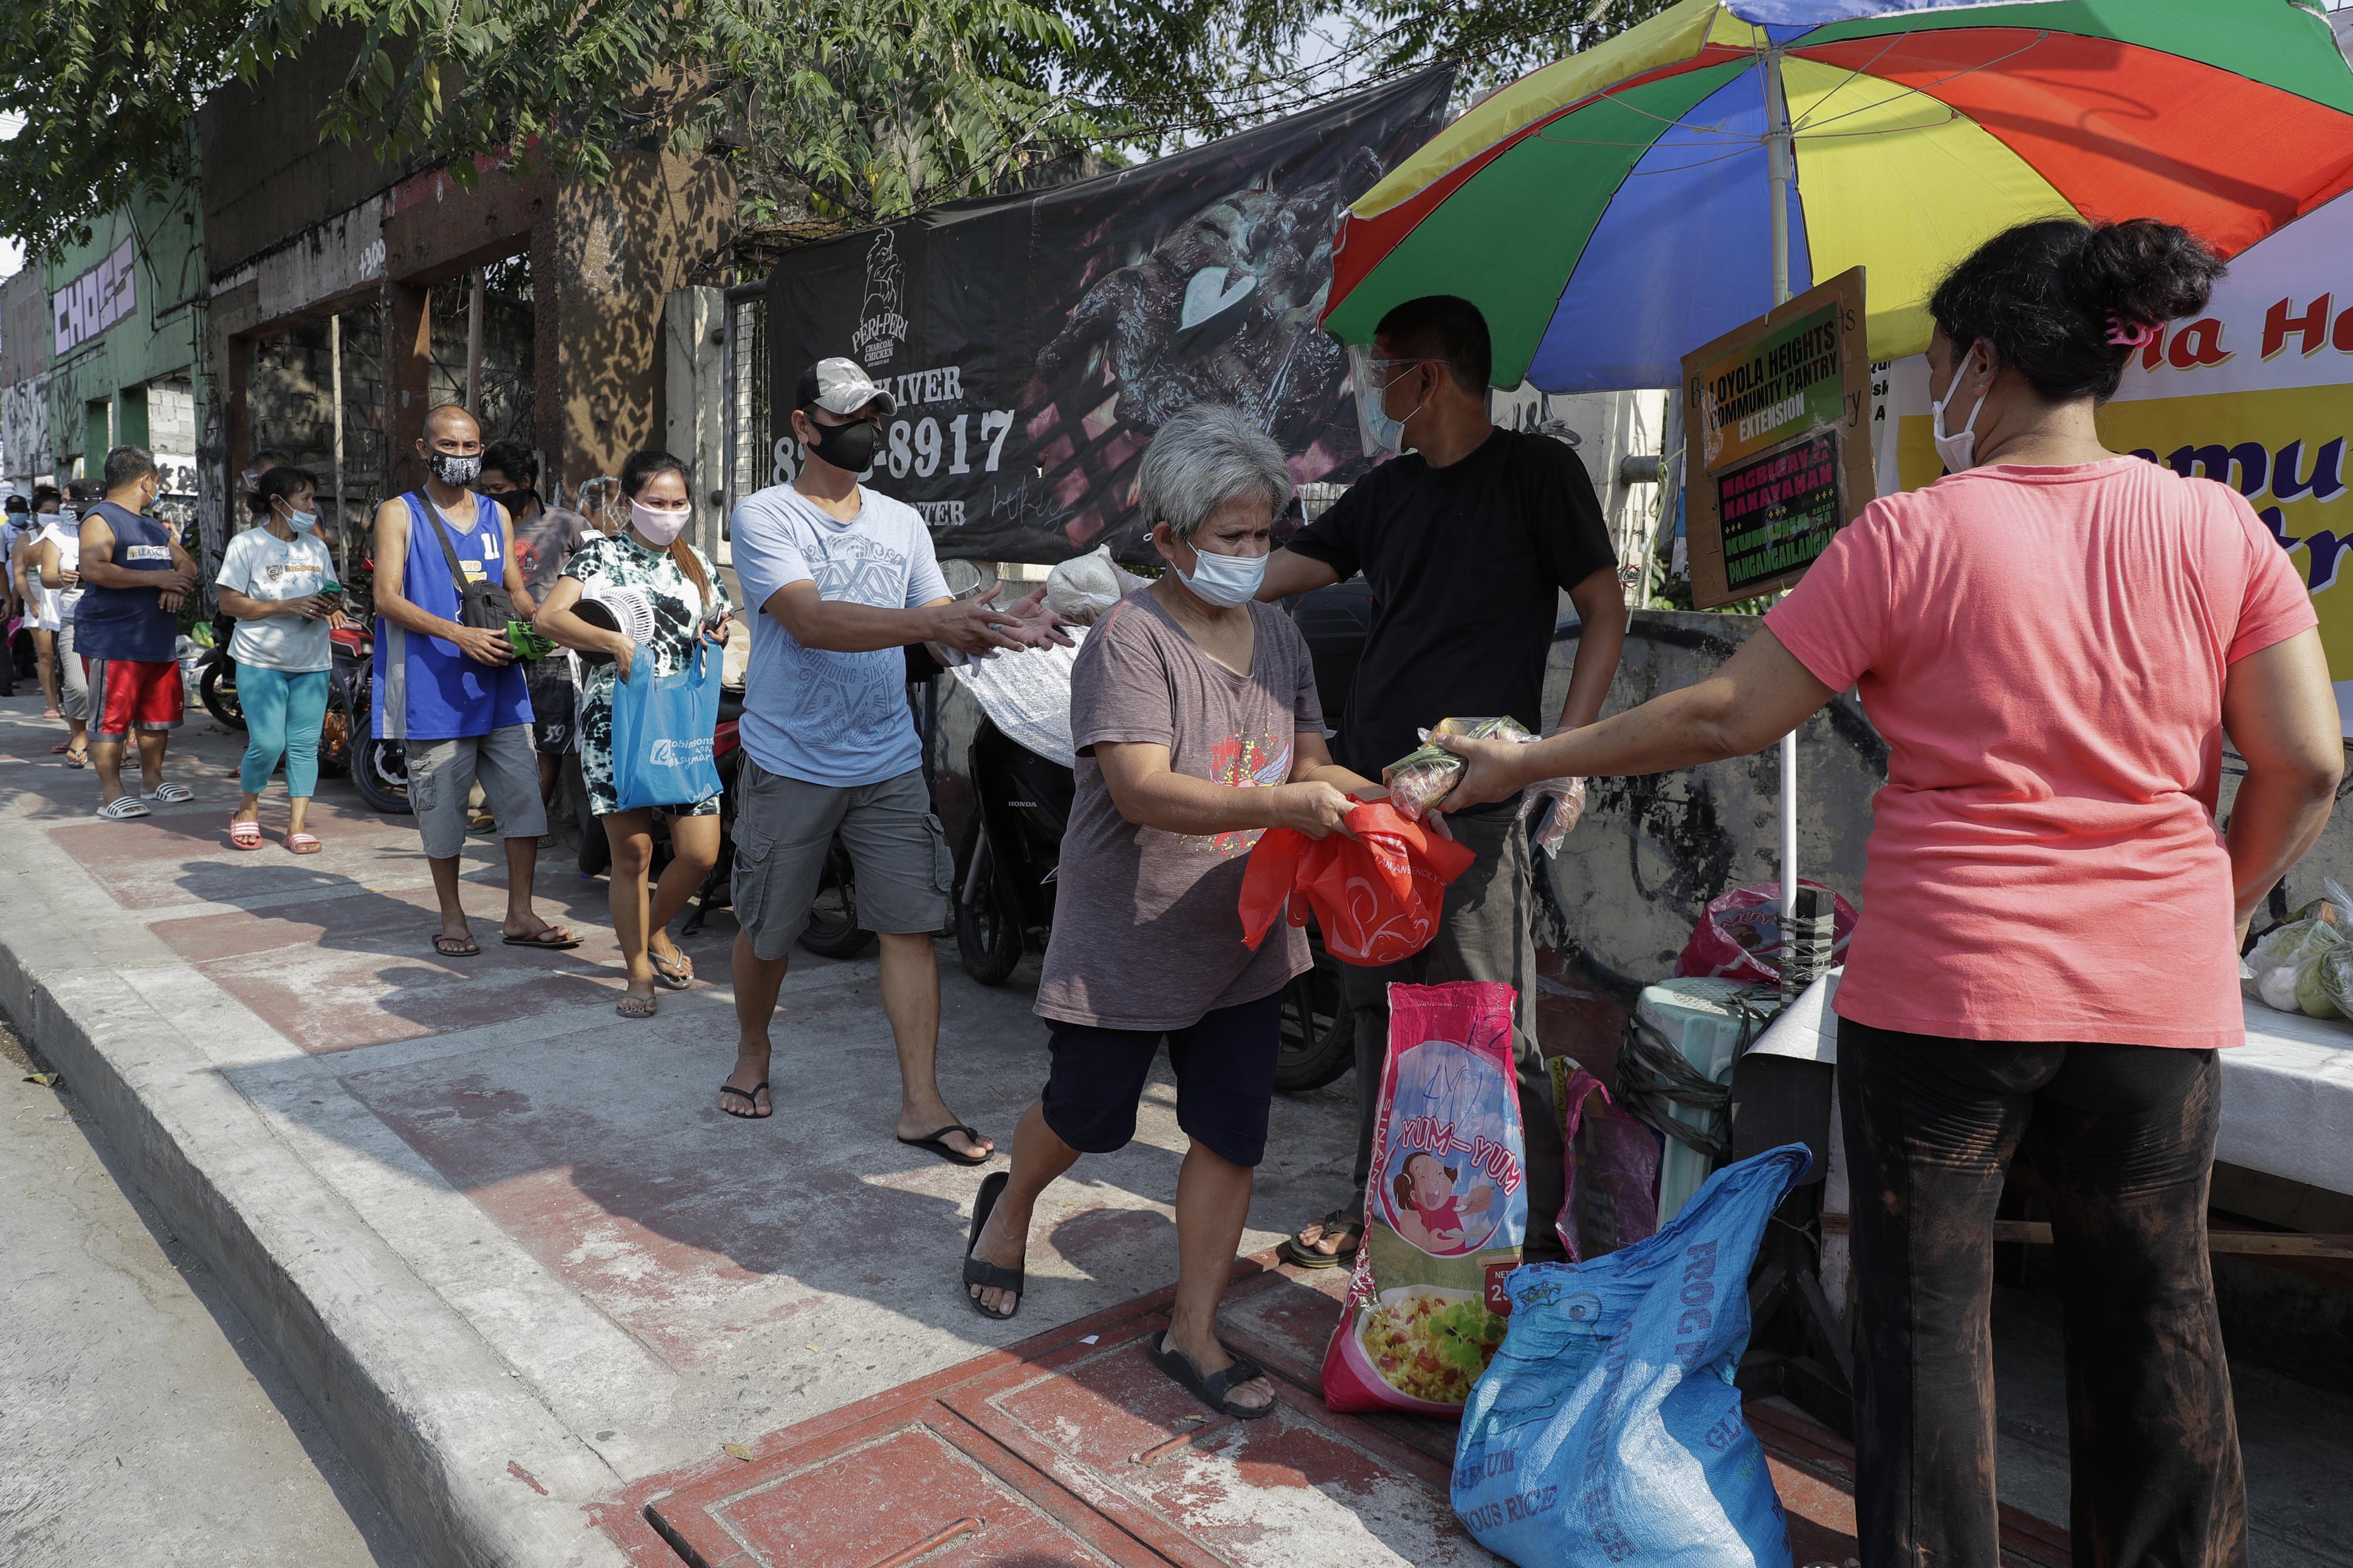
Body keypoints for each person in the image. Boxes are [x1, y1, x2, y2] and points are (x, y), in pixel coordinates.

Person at [1437, 219, 2341, 1567]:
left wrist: (1532, 754)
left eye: (1944, 369)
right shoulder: (2215, 526)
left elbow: (1725, 715)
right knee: (2154, 1312)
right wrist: (2207, 908)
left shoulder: (1909, 534)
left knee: (1927, 1324)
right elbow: (2306, 761)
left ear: (1981, 362)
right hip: (2151, 996)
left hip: (1947, 999)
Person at [961, 405, 1381, 1419]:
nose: (1251, 553)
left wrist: (1393, 793)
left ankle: (1191, 1331)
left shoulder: (1278, 634)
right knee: (1085, 1117)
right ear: (1167, 540)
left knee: (1231, 1135)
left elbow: (1312, 756)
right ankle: (1009, 1200)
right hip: (1131, 934)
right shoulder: (1130, 638)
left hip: (1245, 933)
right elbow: (1144, 790)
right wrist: (1284, 801)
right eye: (1229, 537)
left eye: (1262, 534)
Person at [1254, 294, 1627, 1270]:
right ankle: (1380, 1210)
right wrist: (1183, 576)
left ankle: (1530, 1236)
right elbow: (1281, 575)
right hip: (1371, 801)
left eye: (1385, 370)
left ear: (1429, 376)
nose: (1374, 390)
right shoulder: (1387, 491)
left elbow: (1606, 611)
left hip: (1477, 807)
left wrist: (1565, 755)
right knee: (1377, 1010)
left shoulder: (1538, 472)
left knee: (1485, 1021)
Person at [722, 355, 1062, 1142]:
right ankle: (752, 1048)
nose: (865, 431)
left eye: (874, 416)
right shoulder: (767, 515)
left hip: (886, 759)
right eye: (847, 418)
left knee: (908, 924)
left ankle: (921, 1103)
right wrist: (934, 624)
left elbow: (941, 629)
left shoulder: (902, 522)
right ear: (804, 426)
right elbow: (812, 622)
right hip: (790, 759)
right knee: (769, 929)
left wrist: (1006, 627)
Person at [371, 404, 577, 957]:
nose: (460, 456)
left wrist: (543, 622)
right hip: (432, 690)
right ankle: (453, 916)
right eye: (448, 446)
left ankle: (519, 913)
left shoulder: (496, 514)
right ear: (423, 449)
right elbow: (386, 598)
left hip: (502, 685)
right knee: (443, 811)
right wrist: (459, 637)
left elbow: (514, 587)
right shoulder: (399, 513)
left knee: (523, 804)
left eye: (470, 447)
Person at [534, 450, 732, 1016]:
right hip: (617, 717)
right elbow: (549, 619)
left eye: (678, 504)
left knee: (700, 853)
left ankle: (655, 927)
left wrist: (717, 634)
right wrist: (616, 643)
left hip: (682, 718)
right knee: (635, 854)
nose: (669, 514)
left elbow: (718, 619)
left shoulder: (695, 561)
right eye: (656, 503)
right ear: (628, 504)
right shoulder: (600, 554)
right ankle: (637, 971)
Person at [217, 467, 345, 853]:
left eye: (312, 498)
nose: (312, 507)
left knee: (305, 745)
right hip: (261, 659)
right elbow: (228, 603)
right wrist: (286, 606)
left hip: (311, 661)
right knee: (269, 743)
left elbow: (330, 592)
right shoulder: (247, 545)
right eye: (305, 499)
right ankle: (247, 811)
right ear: (278, 502)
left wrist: (330, 605)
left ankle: (297, 825)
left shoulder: (315, 548)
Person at [74, 447, 198, 820]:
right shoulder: (101, 518)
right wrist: (158, 577)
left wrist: (175, 585)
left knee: (156, 718)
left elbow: (186, 563)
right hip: (114, 640)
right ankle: (112, 793)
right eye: (156, 482)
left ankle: (153, 781)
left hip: (156, 641)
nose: (155, 489)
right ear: (146, 481)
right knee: (111, 721)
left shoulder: (153, 525)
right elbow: (94, 569)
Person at [477, 440, 594, 809]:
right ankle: (503, 809)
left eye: (499, 490)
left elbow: (601, 573)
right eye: (486, 491)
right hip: (496, 645)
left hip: (552, 651)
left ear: (525, 481)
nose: (492, 498)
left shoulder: (567, 524)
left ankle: (534, 817)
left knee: (548, 738)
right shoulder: (484, 526)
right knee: (501, 733)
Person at [32, 487, 91, 767]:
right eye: (64, 501)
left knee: (116, 685)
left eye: (71, 501)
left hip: (115, 619)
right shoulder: (58, 532)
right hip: (74, 618)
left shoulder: (113, 526)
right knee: (79, 687)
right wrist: (61, 578)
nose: (67, 507)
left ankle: (117, 742)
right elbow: (46, 576)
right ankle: (79, 734)